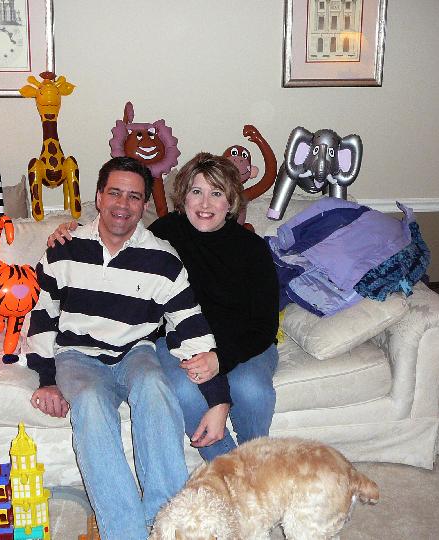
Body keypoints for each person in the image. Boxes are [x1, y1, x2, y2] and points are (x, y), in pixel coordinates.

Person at [22, 156, 219, 540]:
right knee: (91, 403)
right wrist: (46, 380)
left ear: (144, 205)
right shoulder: (64, 249)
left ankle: (169, 523)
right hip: (77, 356)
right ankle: (126, 532)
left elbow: (188, 322)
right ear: (99, 197)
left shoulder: (163, 259)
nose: (123, 205)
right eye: (115, 193)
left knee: (156, 388)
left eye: (134, 197)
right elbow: (42, 315)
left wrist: (212, 382)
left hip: (135, 352)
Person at [49, 152, 279, 463]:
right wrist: (72, 231)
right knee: (183, 390)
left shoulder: (252, 248)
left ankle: (260, 464)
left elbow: (264, 325)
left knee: (251, 389)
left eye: (216, 193)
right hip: (180, 341)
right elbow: (118, 236)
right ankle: (233, 472)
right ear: (184, 197)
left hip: (244, 343)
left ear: (231, 201)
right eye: (196, 191)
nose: (205, 203)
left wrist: (219, 358)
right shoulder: (165, 233)